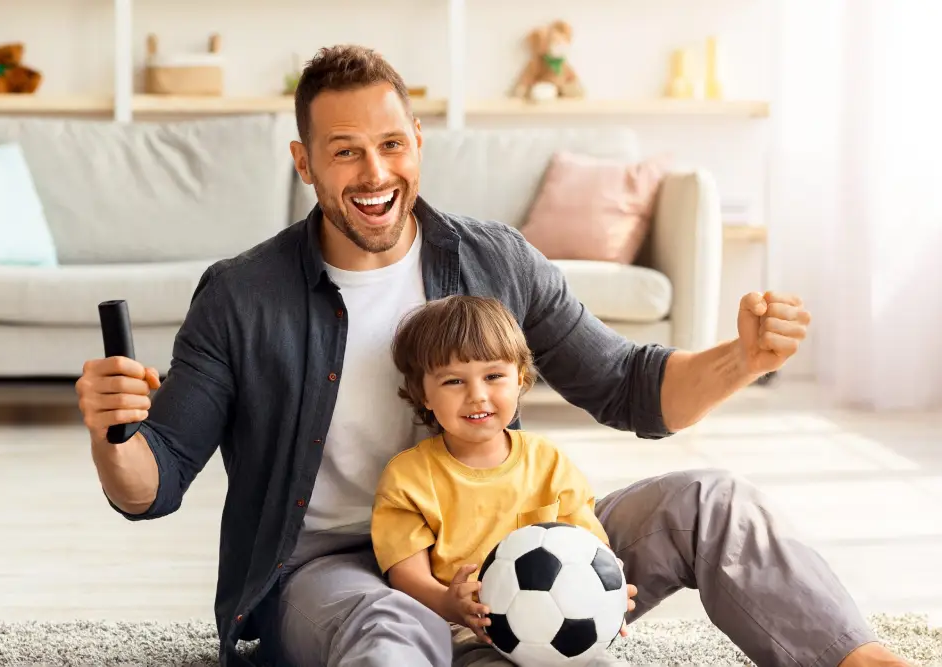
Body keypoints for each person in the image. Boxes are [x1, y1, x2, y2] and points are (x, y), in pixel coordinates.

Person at [74, 44, 909, 667]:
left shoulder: (497, 259)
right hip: (335, 572)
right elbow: (154, 484)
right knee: (390, 627)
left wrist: (744, 355)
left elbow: (628, 388)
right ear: (305, 163)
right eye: (345, 151)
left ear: (418, 143)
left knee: (710, 500)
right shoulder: (240, 295)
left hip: (516, 555)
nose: (375, 171)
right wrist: (115, 433)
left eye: (392, 144)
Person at [370, 294, 637, 650]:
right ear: (423, 395)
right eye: (453, 382)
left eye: (494, 375)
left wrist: (607, 593)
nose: (477, 395)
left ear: (520, 379)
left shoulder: (548, 461)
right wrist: (447, 603)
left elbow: (589, 547)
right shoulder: (408, 478)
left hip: (557, 626)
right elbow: (406, 573)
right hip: (465, 629)